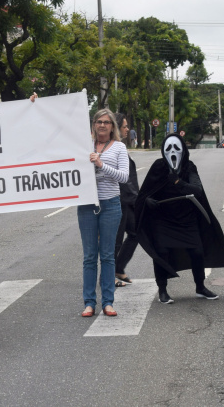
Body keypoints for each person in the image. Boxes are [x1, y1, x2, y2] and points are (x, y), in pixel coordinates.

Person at [135, 132, 224, 304]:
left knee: (197, 251)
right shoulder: (158, 167)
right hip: (162, 219)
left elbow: (197, 190)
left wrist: (178, 182)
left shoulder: (189, 167)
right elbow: (143, 194)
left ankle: (200, 286)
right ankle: (162, 289)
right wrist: (148, 201)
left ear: (183, 150)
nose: (172, 151)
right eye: (168, 147)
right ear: (163, 150)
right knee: (161, 252)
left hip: (186, 219)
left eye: (176, 147)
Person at [77, 109, 128, 317]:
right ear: (93, 124)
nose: (102, 125)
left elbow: (124, 177)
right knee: (89, 256)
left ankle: (108, 302)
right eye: (99, 121)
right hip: (87, 204)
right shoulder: (83, 145)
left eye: (107, 122)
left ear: (112, 126)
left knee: (107, 256)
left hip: (110, 204)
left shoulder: (119, 148)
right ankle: (89, 302)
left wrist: (101, 164)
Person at [114, 113, 139, 286]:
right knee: (115, 241)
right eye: (124, 126)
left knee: (135, 233)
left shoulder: (120, 146)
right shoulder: (113, 148)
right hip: (119, 201)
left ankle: (119, 268)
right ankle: (109, 277)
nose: (127, 129)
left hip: (128, 201)